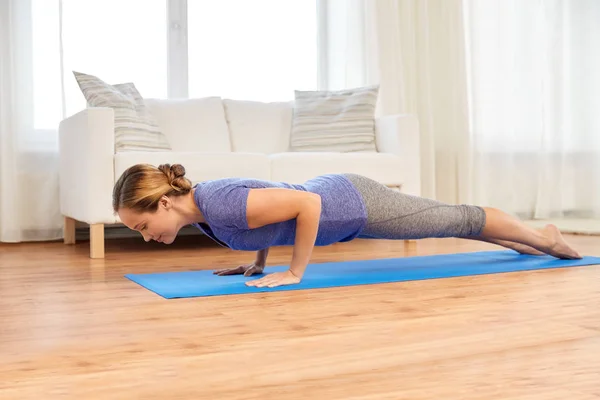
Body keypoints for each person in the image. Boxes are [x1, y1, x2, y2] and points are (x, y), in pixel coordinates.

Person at [113, 163, 582, 288]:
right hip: (347, 209)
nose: (145, 236)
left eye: (142, 225)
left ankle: (546, 239)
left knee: (456, 218)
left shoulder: (217, 202)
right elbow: (266, 225)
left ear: (166, 203)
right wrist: (255, 265)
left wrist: (296, 272)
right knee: (452, 224)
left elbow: (308, 204)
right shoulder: (204, 211)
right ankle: (527, 242)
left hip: (355, 203)